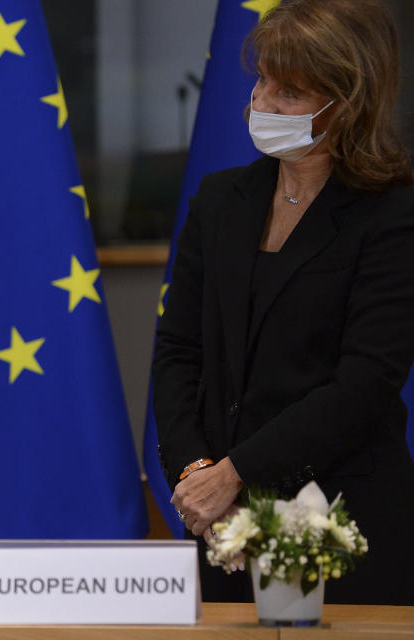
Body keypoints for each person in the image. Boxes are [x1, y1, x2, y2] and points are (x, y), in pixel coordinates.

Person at [153, 0, 414, 605]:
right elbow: (177, 353)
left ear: (346, 105)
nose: (260, 103)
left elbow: (365, 383)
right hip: (222, 531)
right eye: (262, 79)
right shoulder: (221, 201)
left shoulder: (393, 216)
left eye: (289, 92)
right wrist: (198, 476)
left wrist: (236, 473)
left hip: (345, 529)